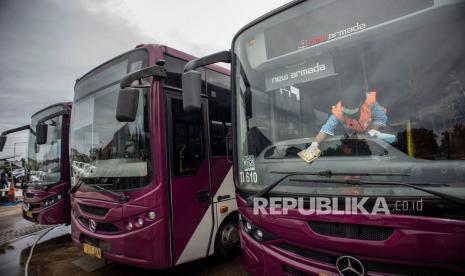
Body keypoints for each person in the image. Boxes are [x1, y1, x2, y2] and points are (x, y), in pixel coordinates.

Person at [305, 69, 387, 157]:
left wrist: (371, 132)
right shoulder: (338, 111)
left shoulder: (370, 101)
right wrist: (314, 144)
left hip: (376, 135)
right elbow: (326, 129)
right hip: (357, 140)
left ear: (360, 104)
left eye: (354, 114)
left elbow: (381, 118)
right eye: (348, 114)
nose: (352, 117)